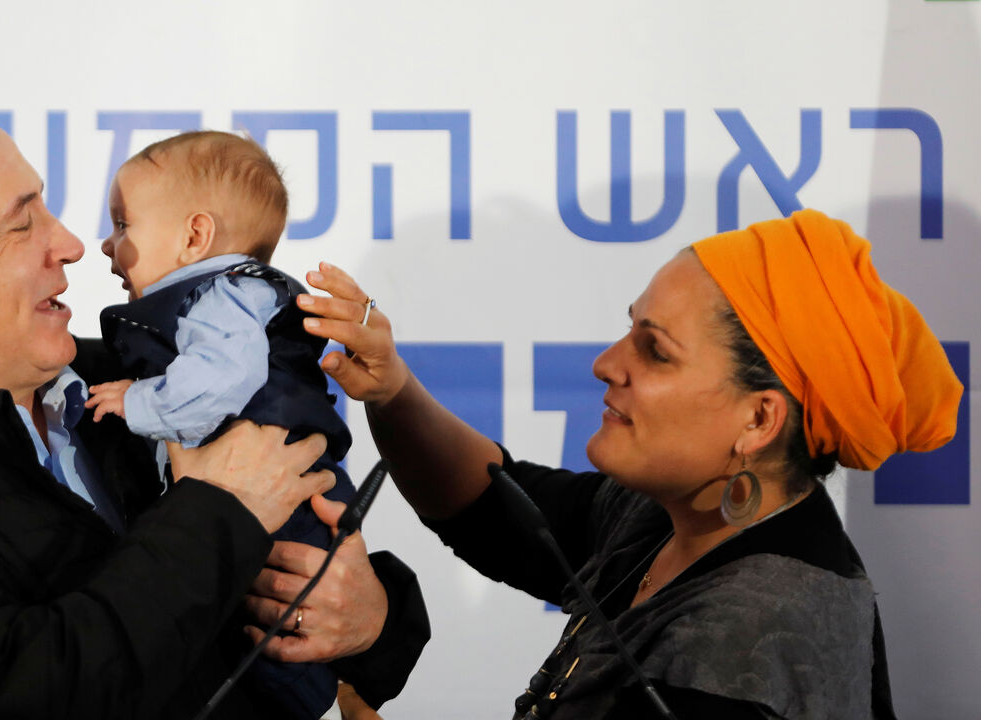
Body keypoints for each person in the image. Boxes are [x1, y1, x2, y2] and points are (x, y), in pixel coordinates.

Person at [0, 106, 428, 720]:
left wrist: (372, 620)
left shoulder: (141, 374)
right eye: (23, 224)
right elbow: (31, 693)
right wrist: (219, 509)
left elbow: (327, 577)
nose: (73, 243)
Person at [299, 210, 962, 720]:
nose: (606, 363)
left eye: (655, 350)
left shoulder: (747, 641)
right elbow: (494, 508)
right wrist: (391, 391)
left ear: (758, 420)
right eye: (629, 330)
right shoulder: (688, 515)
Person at [83, 130, 357, 720]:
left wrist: (137, 402)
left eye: (123, 225)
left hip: (290, 506)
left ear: (194, 236)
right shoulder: (213, 296)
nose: (107, 245)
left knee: (274, 645)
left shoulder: (225, 295)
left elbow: (217, 383)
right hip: (268, 506)